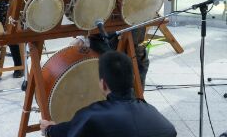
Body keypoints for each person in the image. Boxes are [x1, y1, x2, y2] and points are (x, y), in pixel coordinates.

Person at [40, 51, 177, 137]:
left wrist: (49, 130)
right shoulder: (152, 112)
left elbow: (71, 130)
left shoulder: (91, 115)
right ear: (133, 79)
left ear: (103, 84)